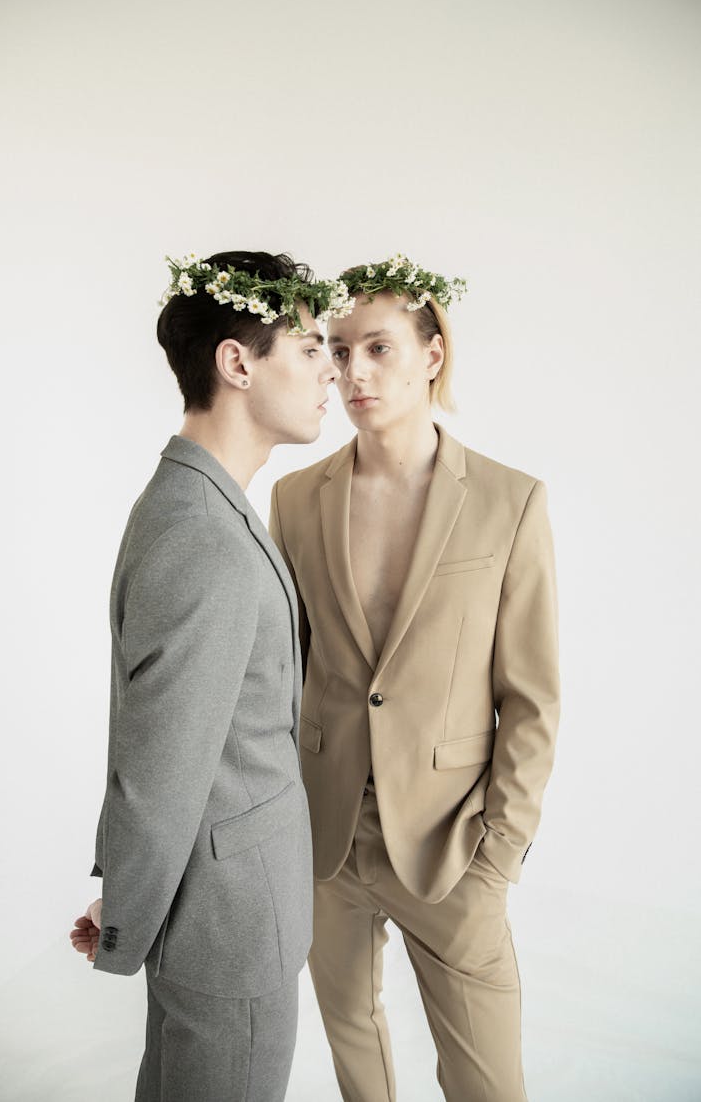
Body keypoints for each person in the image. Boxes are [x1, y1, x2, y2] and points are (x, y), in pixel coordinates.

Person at [268, 254, 560, 1102]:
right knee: (358, 1062)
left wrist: (498, 856)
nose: (351, 371)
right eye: (335, 348)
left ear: (432, 354)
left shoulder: (512, 501)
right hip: (324, 839)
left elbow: (533, 697)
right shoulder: (295, 499)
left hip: (452, 845)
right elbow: (287, 670)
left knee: (488, 1082)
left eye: (378, 348)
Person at [70, 250, 343, 1102]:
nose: (330, 369)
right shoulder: (206, 536)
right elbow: (161, 765)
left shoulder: (201, 502)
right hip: (229, 929)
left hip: (219, 910)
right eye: (306, 348)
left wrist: (129, 887)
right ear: (236, 362)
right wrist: (126, 917)